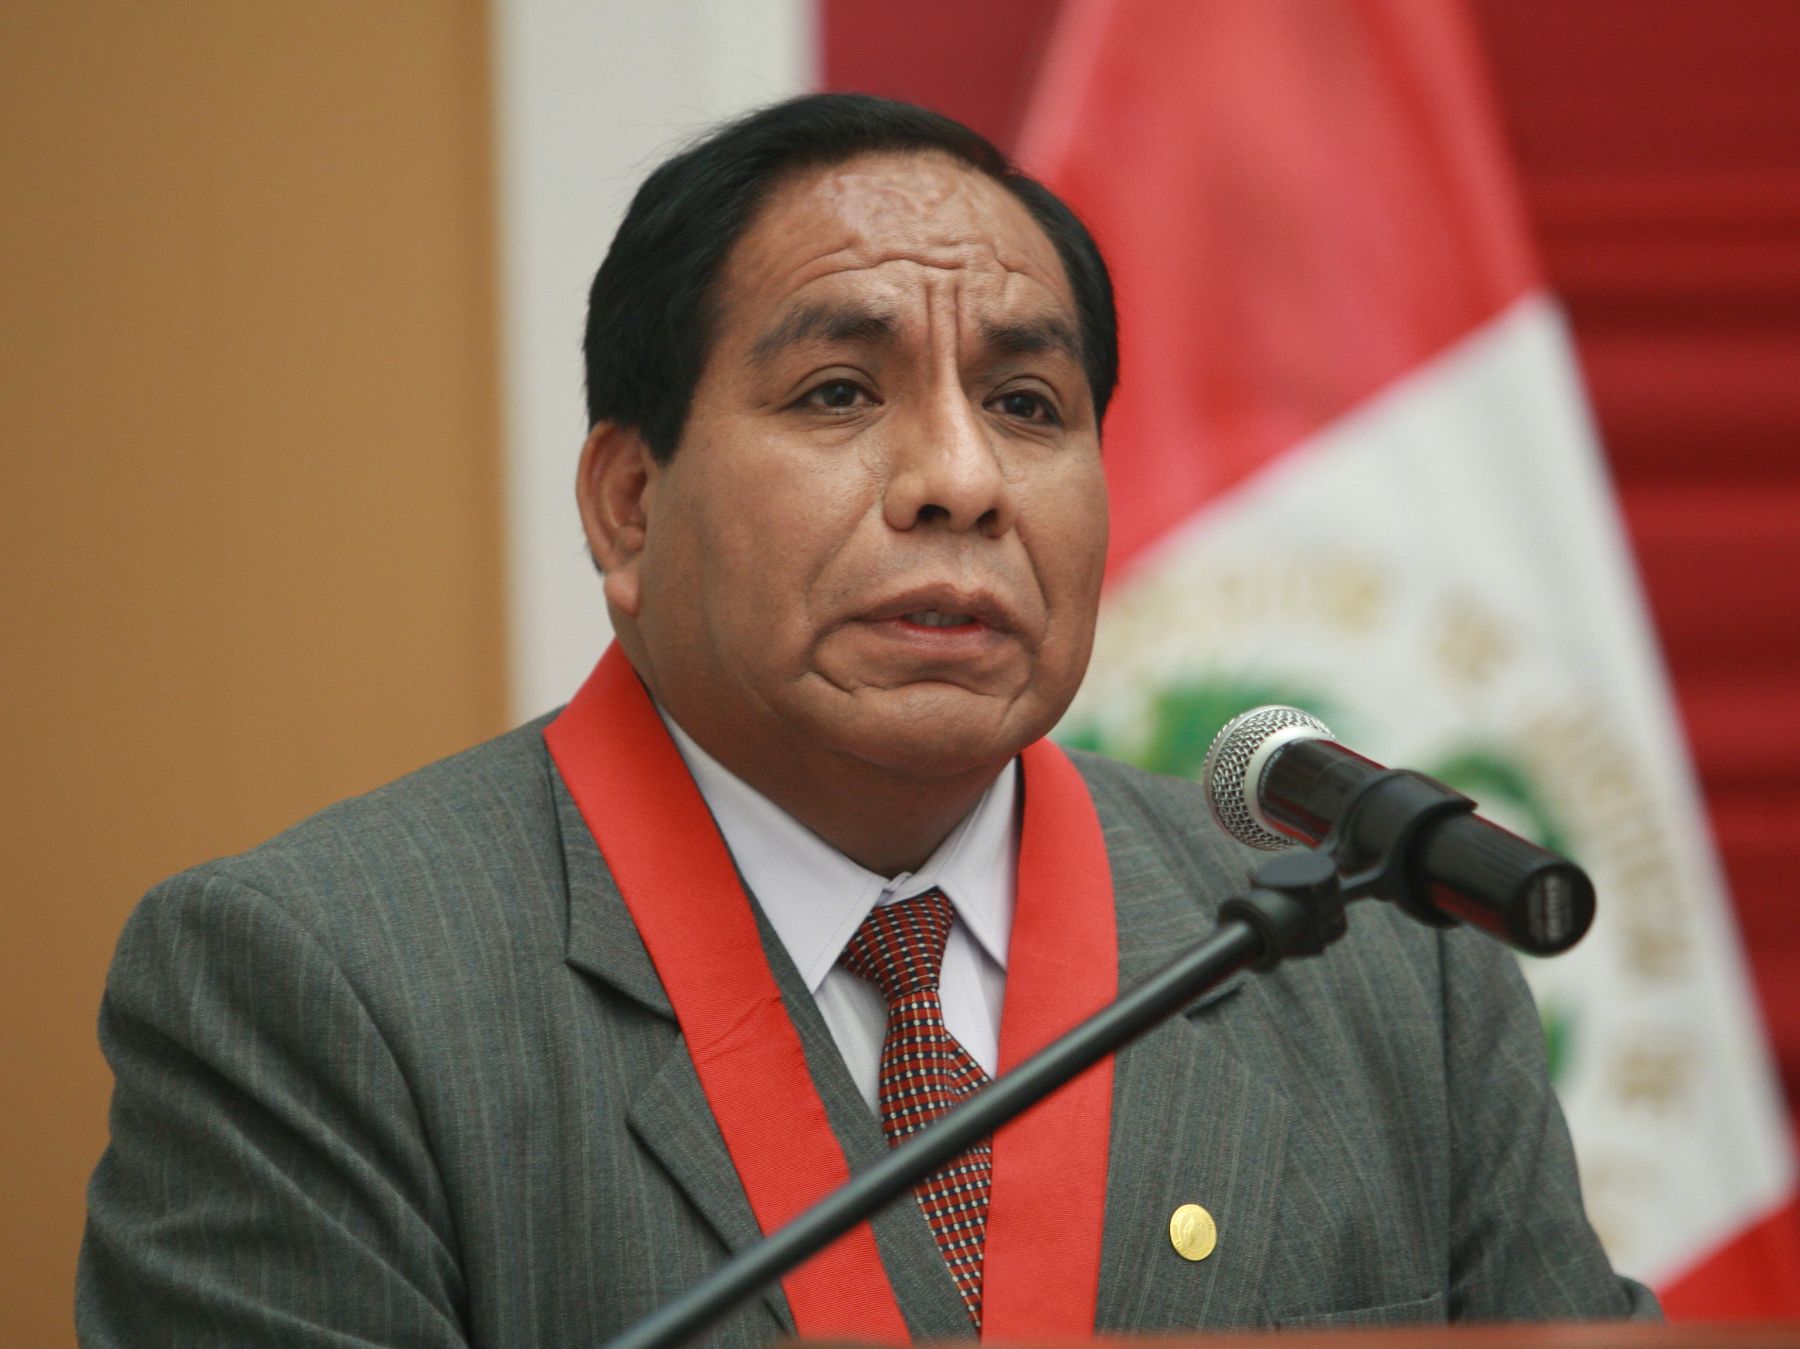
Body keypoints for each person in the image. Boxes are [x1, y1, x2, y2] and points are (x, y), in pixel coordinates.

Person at [78, 94, 1655, 1346]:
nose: (961, 480)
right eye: (839, 391)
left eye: (1028, 406)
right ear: (629, 505)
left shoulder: (1388, 972)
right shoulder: (321, 989)